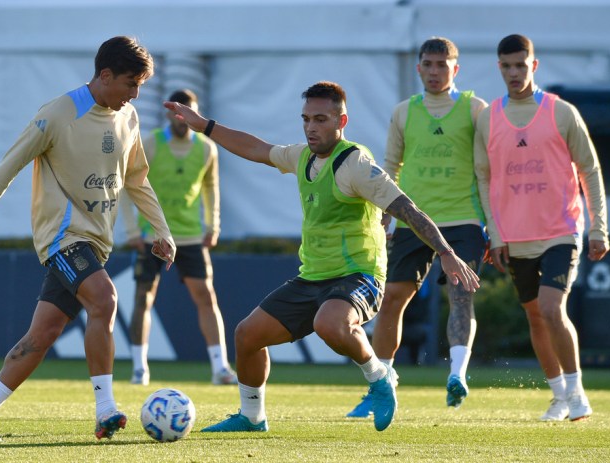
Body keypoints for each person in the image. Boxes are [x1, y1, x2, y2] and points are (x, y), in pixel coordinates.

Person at [165, 81, 480, 433]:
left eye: (320, 119)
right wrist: (204, 125)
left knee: (329, 324)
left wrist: (447, 252)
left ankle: (380, 378)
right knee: (247, 335)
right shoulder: (302, 157)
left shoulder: (356, 163)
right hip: (313, 276)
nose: (311, 127)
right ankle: (252, 416)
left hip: (359, 275)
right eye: (306, 119)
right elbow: (255, 148)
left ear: (341, 121)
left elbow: (409, 209)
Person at [0, 36, 176, 441]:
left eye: (139, 85)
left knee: (42, 336)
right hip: (62, 237)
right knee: (105, 299)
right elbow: (8, 166)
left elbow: (136, 180)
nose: (135, 94)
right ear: (104, 75)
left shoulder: (129, 118)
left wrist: (162, 230)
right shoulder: (58, 113)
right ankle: (105, 409)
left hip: (96, 242)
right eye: (130, 83)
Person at [347, 37, 488, 418]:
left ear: (455, 69)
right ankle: (383, 383)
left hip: (465, 220)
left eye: (442, 64)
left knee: (460, 296)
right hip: (416, 220)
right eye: (428, 63)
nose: (434, 71)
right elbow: (391, 166)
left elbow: (486, 171)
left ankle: (456, 375)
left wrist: (493, 224)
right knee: (392, 298)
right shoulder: (403, 112)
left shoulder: (476, 110)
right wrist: (386, 213)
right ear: (419, 68)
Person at [474, 34, 609, 421]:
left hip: (561, 231)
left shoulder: (560, 112)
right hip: (514, 237)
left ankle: (578, 393)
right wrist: (495, 234)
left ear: (534, 65)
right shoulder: (489, 117)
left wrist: (599, 227)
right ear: (499, 67)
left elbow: (590, 169)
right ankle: (559, 397)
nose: (514, 73)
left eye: (521, 65)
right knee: (535, 316)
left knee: (552, 308)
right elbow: (484, 178)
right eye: (507, 66)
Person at [121, 89, 237, 386]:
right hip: (154, 236)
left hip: (189, 236)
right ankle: (139, 368)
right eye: (178, 112)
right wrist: (132, 230)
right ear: (170, 114)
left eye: (189, 112)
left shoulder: (207, 148)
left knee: (206, 297)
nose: (183, 118)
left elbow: (211, 188)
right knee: (143, 298)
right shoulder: (151, 143)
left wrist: (214, 226)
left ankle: (220, 367)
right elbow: (127, 184)